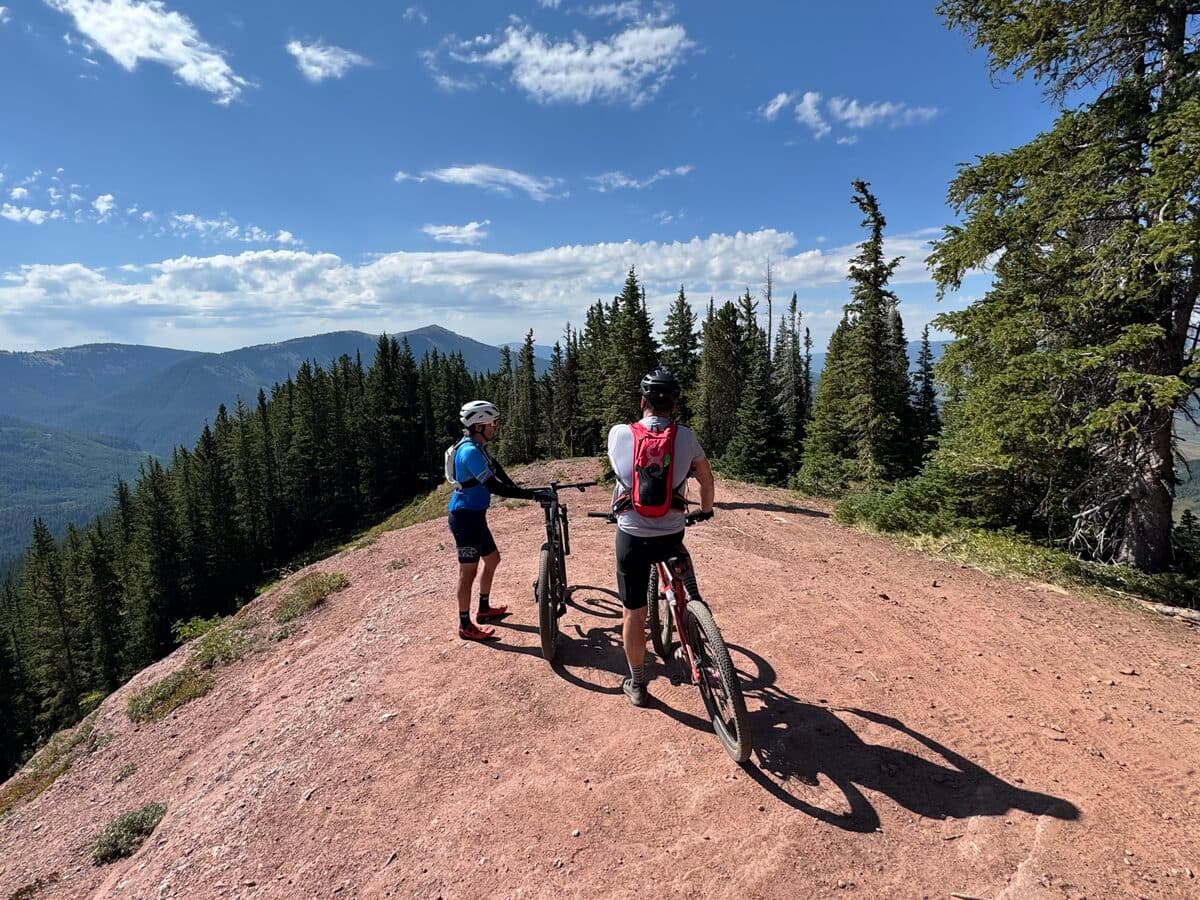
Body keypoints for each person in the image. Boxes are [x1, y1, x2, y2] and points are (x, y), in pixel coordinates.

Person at [606, 369, 715, 706]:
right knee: (680, 561)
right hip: (670, 532)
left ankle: (638, 684)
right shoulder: (686, 437)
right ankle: (695, 610)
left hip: (632, 536)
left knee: (634, 614)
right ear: (674, 404)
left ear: (643, 401)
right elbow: (706, 480)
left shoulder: (619, 434)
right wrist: (706, 510)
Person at [448, 400, 547, 641]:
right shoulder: (470, 451)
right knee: (467, 572)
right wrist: (531, 495)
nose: (496, 427)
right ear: (479, 426)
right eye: (492, 423)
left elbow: (498, 470)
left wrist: (520, 487)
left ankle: (483, 609)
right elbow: (493, 486)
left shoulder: (479, 447)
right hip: (464, 517)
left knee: (492, 559)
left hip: (475, 515)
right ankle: (465, 625)